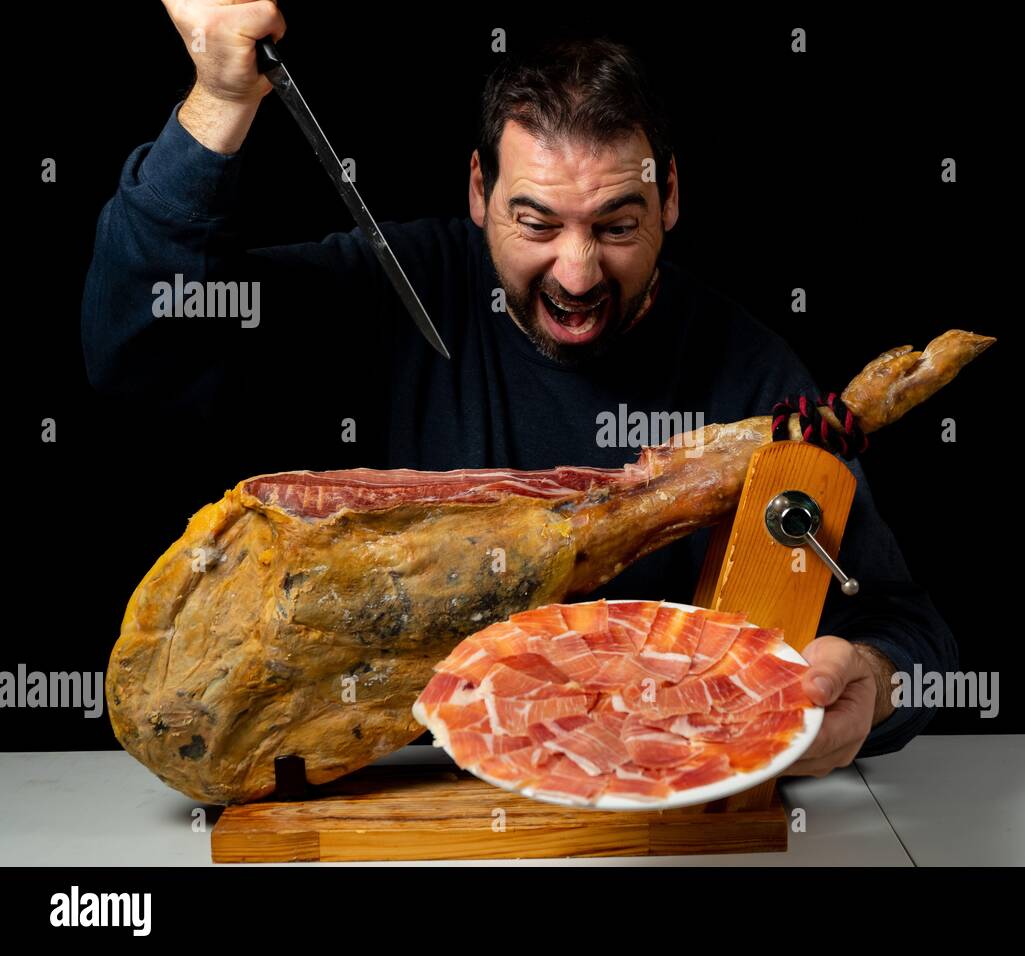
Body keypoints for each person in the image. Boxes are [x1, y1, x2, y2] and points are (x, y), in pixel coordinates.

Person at [82, 0, 958, 777]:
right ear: (480, 190)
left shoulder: (755, 376)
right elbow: (137, 348)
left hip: (651, 806)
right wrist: (222, 103)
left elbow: (910, 635)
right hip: (412, 791)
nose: (577, 274)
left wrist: (870, 692)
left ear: (671, 199)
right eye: (536, 223)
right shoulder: (397, 292)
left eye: (616, 225)